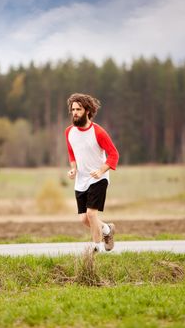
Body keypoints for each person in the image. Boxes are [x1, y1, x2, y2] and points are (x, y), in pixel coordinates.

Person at [65, 93, 119, 252]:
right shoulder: (69, 132)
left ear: (87, 111)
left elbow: (114, 154)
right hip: (81, 180)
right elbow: (72, 152)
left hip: (99, 179)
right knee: (83, 218)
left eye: (78, 109)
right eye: (73, 109)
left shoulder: (98, 132)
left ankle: (96, 249)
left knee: (91, 214)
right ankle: (108, 230)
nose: (75, 113)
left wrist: (101, 170)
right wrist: (73, 168)